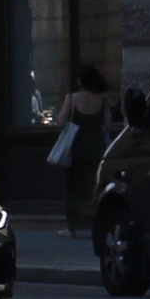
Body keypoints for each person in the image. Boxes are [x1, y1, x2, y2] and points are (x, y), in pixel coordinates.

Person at [53, 64, 117, 235]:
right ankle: (94, 223)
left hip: (76, 149)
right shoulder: (102, 100)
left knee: (73, 188)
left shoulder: (72, 98)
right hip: (97, 148)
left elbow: (61, 121)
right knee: (93, 188)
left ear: (81, 81)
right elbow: (108, 126)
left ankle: (72, 227)